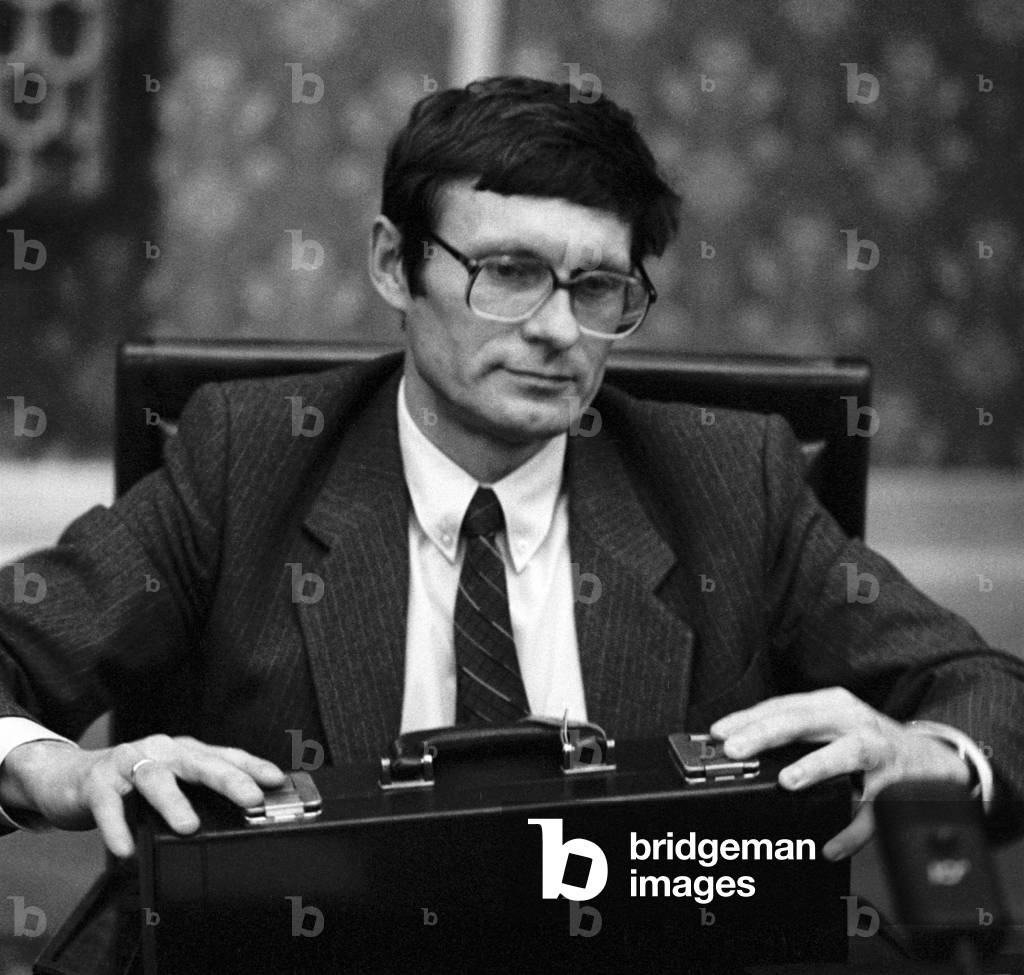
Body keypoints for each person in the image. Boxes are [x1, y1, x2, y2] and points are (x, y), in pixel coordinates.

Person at [1, 76, 1022, 866]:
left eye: (595, 287)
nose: (554, 330)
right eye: (509, 274)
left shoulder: (729, 479)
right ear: (395, 264)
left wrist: (931, 757)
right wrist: (50, 762)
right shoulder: (245, 457)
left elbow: (985, 690)